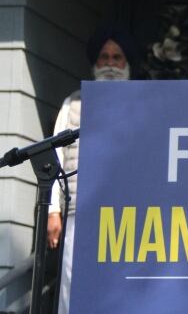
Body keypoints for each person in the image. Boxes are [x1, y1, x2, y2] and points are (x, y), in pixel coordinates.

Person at [47, 28, 136, 314]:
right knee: (73, 285)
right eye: (104, 57)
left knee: (121, 286)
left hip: (128, 215)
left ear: (127, 63)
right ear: (95, 63)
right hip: (79, 211)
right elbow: (55, 157)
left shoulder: (142, 101)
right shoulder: (74, 103)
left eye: (117, 57)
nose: (110, 64)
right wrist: (52, 211)